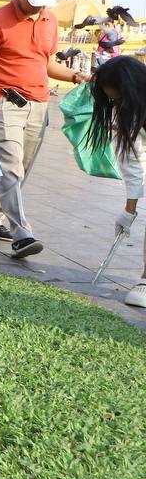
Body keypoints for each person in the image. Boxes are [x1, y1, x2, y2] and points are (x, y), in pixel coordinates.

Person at [0, 0, 89, 259]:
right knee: (11, 168)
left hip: (39, 103)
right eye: (33, 0)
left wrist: (75, 76)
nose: (38, 7)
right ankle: (22, 234)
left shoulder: (49, 20)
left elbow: (45, 62)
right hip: (3, 101)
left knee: (19, 170)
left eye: (43, 2)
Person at [87, 56, 146, 307]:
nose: (116, 105)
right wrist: (128, 211)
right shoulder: (125, 112)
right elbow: (133, 161)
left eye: (120, 98)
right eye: (112, 100)